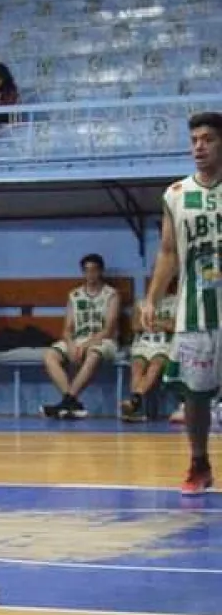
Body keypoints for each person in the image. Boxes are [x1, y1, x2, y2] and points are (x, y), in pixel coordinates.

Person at [142, 111, 222, 495]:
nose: (199, 147)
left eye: (208, 139)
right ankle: (199, 462)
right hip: (195, 311)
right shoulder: (175, 194)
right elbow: (168, 252)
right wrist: (152, 298)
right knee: (195, 393)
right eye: (194, 140)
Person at [41, 254, 120, 419]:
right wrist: (70, 344)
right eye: (86, 271)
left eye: (94, 270)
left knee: (93, 354)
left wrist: (85, 345)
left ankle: (68, 401)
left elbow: (109, 329)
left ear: (100, 272)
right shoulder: (74, 295)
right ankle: (71, 401)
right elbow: (67, 329)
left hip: (103, 341)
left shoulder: (111, 295)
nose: (90, 275)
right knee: (50, 355)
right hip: (77, 339)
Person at [122, 277, 177, 422]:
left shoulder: (176, 301)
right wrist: (162, 324)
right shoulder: (141, 302)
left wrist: (152, 322)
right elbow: (135, 326)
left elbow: (174, 326)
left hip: (164, 345)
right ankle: (136, 406)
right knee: (137, 367)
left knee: (155, 365)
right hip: (143, 344)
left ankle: (135, 403)